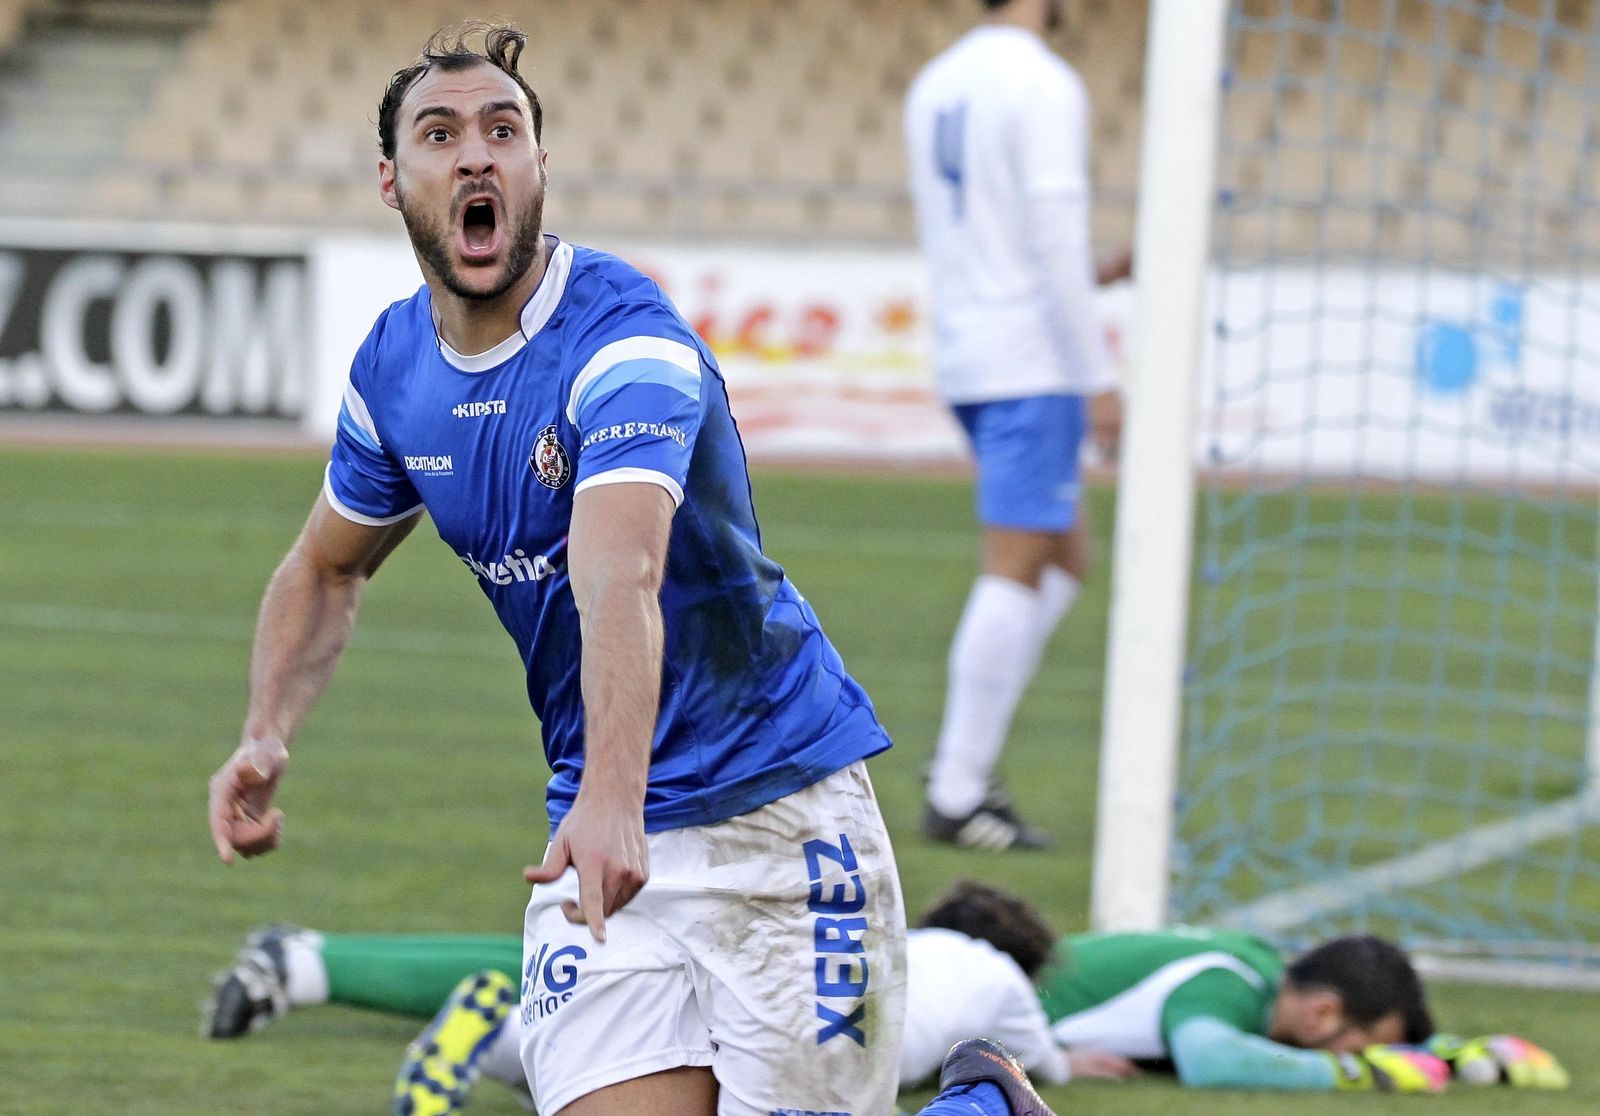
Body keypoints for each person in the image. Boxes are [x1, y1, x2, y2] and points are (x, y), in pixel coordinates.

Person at [204, 22, 908, 1116]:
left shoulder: (626, 342)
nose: (475, 154)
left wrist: (611, 799)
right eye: (440, 135)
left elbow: (617, 567)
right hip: (601, 838)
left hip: (781, 817)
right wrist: (264, 729)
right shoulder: (394, 370)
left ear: (539, 166)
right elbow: (326, 567)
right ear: (394, 182)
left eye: (503, 129)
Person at [200, 892, 1134, 1114]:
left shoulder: (905, 933)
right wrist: (1060, 1062)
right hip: (848, 1039)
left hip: (794, 969)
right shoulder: (1005, 983)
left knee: (640, 1060)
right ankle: (975, 1108)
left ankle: (499, 1037)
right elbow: (1033, 1057)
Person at [904, 0, 1132, 850]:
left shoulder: (938, 82)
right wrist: (1097, 377)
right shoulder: (1042, 82)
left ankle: (966, 759)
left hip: (968, 351)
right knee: (1018, 565)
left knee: (1065, 556)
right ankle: (959, 789)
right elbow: (1048, 228)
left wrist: (1093, 274)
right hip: (1032, 363)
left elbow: (994, 237)